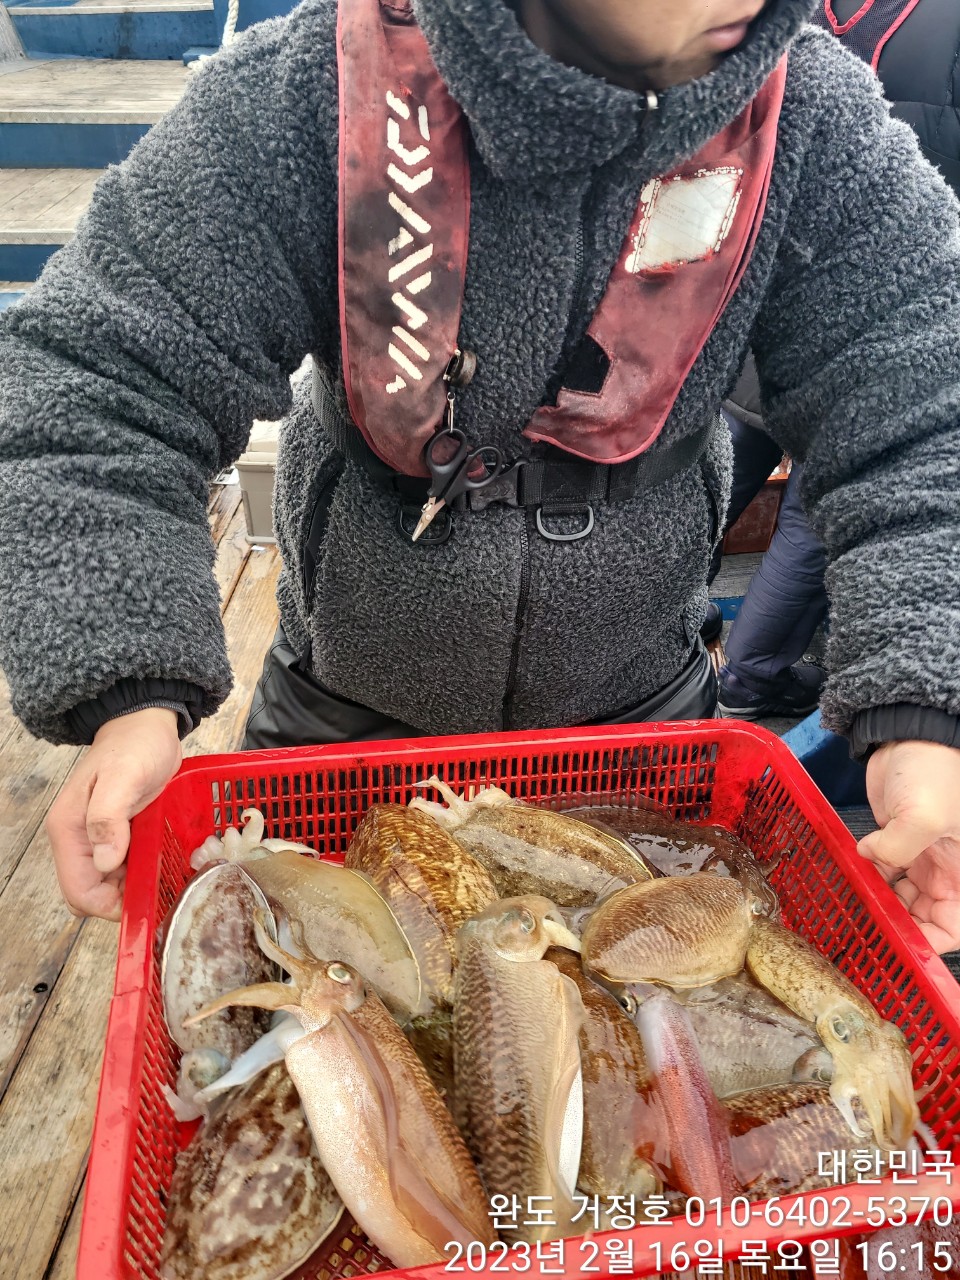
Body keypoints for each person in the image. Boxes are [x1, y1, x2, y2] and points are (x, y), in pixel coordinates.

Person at [1, 0, 959, 959]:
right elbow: (96, 387)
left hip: (639, 722)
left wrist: (921, 709)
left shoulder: (810, 119)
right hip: (343, 716)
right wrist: (128, 685)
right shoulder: (309, 92)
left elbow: (924, 415)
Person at [708, 0, 960, 722]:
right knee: (816, 512)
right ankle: (749, 678)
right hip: (887, 306)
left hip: (757, 296)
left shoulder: (793, 25)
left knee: (726, 459)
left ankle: (672, 627)